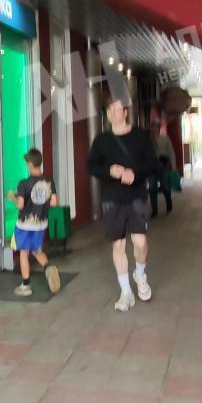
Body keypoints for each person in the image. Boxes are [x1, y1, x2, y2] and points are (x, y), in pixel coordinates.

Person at [88, 98, 160, 311]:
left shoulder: (140, 137)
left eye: (118, 109)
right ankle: (126, 291)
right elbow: (92, 166)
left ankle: (140, 274)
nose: (114, 113)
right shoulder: (101, 140)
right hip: (112, 198)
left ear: (126, 112)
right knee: (117, 245)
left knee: (140, 243)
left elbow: (153, 164)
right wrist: (109, 171)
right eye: (110, 110)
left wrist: (134, 174)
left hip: (136, 195)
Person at [6, 148, 61, 297]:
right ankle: (48, 268)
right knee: (36, 250)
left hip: (24, 224)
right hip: (40, 223)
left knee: (24, 252)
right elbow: (54, 203)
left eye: (26, 163)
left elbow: (20, 205)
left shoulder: (24, 183)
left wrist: (12, 197)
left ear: (30, 164)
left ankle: (25, 286)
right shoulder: (49, 181)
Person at [149, 127, 176, 218]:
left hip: (163, 166)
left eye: (156, 127)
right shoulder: (148, 140)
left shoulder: (165, 139)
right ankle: (154, 210)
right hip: (152, 167)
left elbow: (171, 152)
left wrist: (173, 167)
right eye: (153, 127)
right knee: (152, 188)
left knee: (165, 187)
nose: (154, 129)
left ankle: (168, 205)